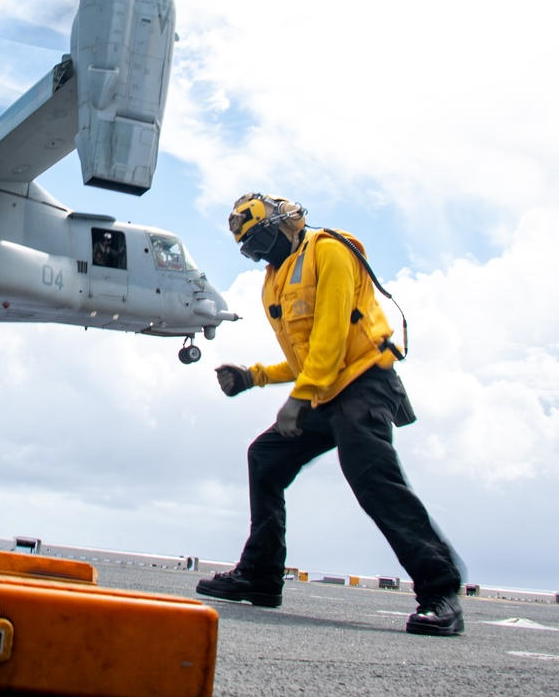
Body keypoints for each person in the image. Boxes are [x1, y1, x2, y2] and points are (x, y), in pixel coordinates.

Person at [196, 192, 465, 636]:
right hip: (324, 391)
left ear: (284, 224)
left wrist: (299, 399)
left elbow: (333, 334)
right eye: (249, 248)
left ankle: (441, 591)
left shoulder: (330, 250)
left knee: (373, 479)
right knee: (265, 458)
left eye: (259, 240)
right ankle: (261, 576)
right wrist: (253, 376)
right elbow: (305, 359)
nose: (257, 253)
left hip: (365, 383)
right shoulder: (274, 282)